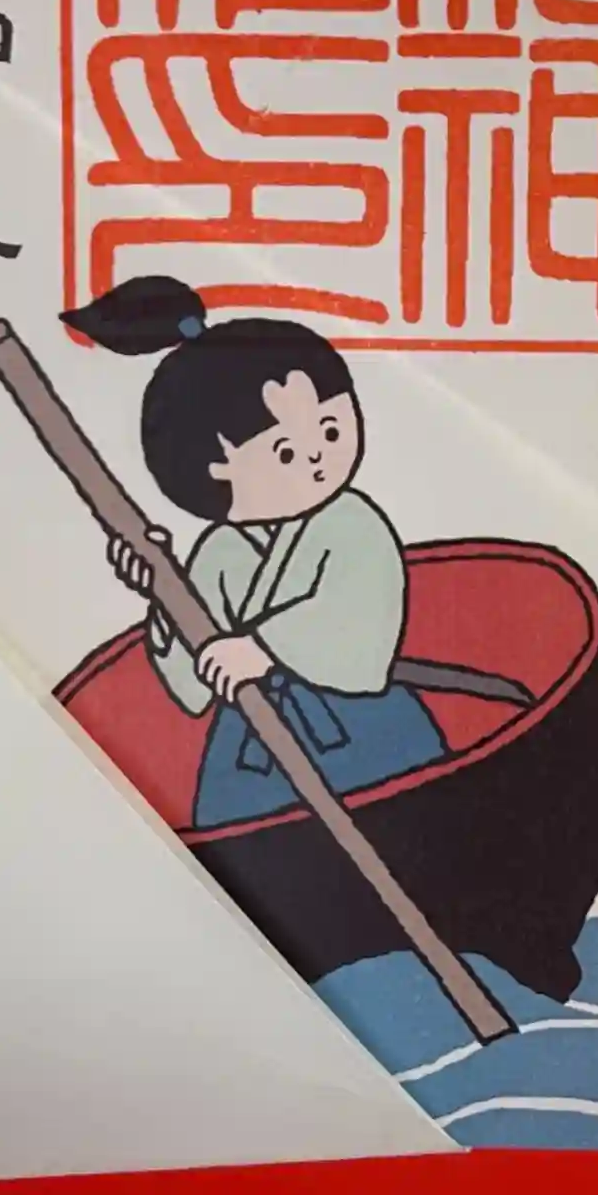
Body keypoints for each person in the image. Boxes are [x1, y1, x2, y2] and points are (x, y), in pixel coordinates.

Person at [65, 274, 445, 829]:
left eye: (331, 432)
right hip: (255, 748)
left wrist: (265, 650)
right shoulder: (221, 551)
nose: (318, 460)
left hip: (361, 728)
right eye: (286, 451)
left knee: (405, 823)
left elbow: (363, 622)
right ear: (218, 464)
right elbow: (195, 675)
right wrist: (164, 594)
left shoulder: (351, 522)